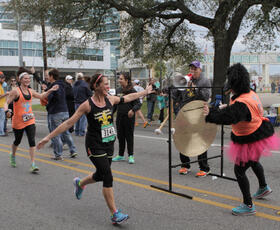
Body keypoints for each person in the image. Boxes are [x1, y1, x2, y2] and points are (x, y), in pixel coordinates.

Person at [36, 73, 153, 224]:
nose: (108, 86)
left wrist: (145, 92)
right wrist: (48, 137)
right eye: (105, 84)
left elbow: (129, 98)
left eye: (108, 84)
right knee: (108, 176)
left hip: (109, 143)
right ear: (96, 86)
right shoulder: (87, 105)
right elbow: (68, 123)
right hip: (94, 145)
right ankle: (114, 214)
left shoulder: (110, 99)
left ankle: (80, 183)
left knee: (100, 174)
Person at [204, 63, 279, 216]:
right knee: (254, 162)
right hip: (259, 133)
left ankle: (248, 205)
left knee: (239, 170)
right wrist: (227, 107)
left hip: (251, 138)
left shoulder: (242, 104)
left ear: (235, 83)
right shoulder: (249, 93)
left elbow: (229, 117)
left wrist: (209, 113)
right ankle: (263, 187)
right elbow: (237, 110)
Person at [4, 67, 58, 172]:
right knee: (17, 141)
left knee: (32, 141)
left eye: (29, 78)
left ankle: (33, 164)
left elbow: (42, 96)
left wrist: (50, 90)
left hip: (30, 120)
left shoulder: (31, 91)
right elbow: (6, 102)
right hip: (18, 121)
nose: (28, 80)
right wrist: (7, 111)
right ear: (20, 80)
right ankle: (13, 155)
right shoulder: (16, 92)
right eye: (25, 78)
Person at [177, 61, 211, 177]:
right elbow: (179, 96)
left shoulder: (204, 81)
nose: (192, 71)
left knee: (198, 140)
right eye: (191, 69)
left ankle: (204, 168)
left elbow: (205, 97)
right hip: (185, 112)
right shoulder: (186, 80)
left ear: (200, 70)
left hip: (198, 113)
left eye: (195, 69)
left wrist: (195, 89)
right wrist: (179, 87)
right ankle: (185, 165)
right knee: (182, 139)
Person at [47, 69, 77, 160]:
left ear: (52, 76)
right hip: (65, 111)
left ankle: (58, 154)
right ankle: (73, 150)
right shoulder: (63, 84)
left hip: (56, 112)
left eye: (48, 76)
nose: (47, 78)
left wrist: (48, 96)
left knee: (55, 133)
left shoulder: (54, 86)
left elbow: (53, 97)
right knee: (65, 132)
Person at [112, 73, 142, 164]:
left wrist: (132, 110)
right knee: (120, 136)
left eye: (121, 79)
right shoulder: (118, 90)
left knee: (129, 137)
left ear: (126, 80)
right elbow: (116, 104)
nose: (119, 80)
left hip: (129, 118)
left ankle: (130, 155)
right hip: (120, 117)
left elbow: (138, 104)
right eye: (119, 79)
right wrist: (110, 114)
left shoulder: (132, 90)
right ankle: (120, 155)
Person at [73, 72, 92, 136]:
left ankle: (76, 131)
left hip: (76, 102)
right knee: (83, 118)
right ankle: (81, 132)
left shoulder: (74, 85)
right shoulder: (85, 85)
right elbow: (90, 94)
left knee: (77, 117)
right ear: (82, 77)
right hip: (83, 102)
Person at [0, 72, 9, 136]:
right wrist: (6, 94)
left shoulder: (1, 85)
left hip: (2, 104)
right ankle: (1, 132)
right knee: (2, 120)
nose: (4, 80)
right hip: (1, 105)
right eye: (3, 79)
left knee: (2, 119)